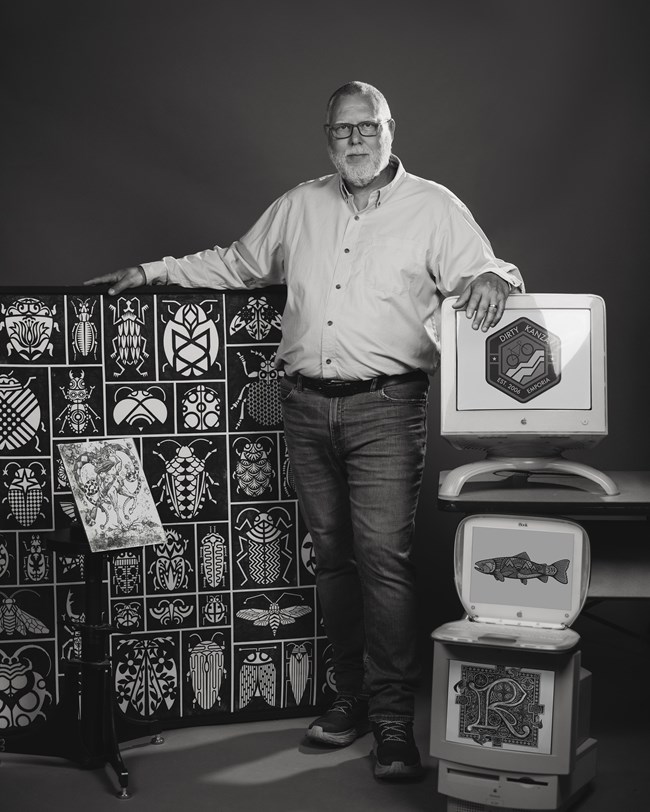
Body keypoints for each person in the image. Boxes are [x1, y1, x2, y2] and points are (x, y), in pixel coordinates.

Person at [87, 81, 523, 779]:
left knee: (383, 561)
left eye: (367, 127)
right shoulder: (299, 205)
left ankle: (389, 722)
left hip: (387, 405)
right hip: (304, 406)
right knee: (333, 560)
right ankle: (346, 700)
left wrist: (499, 276)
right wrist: (153, 271)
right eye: (342, 129)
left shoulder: (434, 208)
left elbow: (487, 272)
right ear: (329, 136)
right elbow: (237, 262)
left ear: (390, 129)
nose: (355, 140)